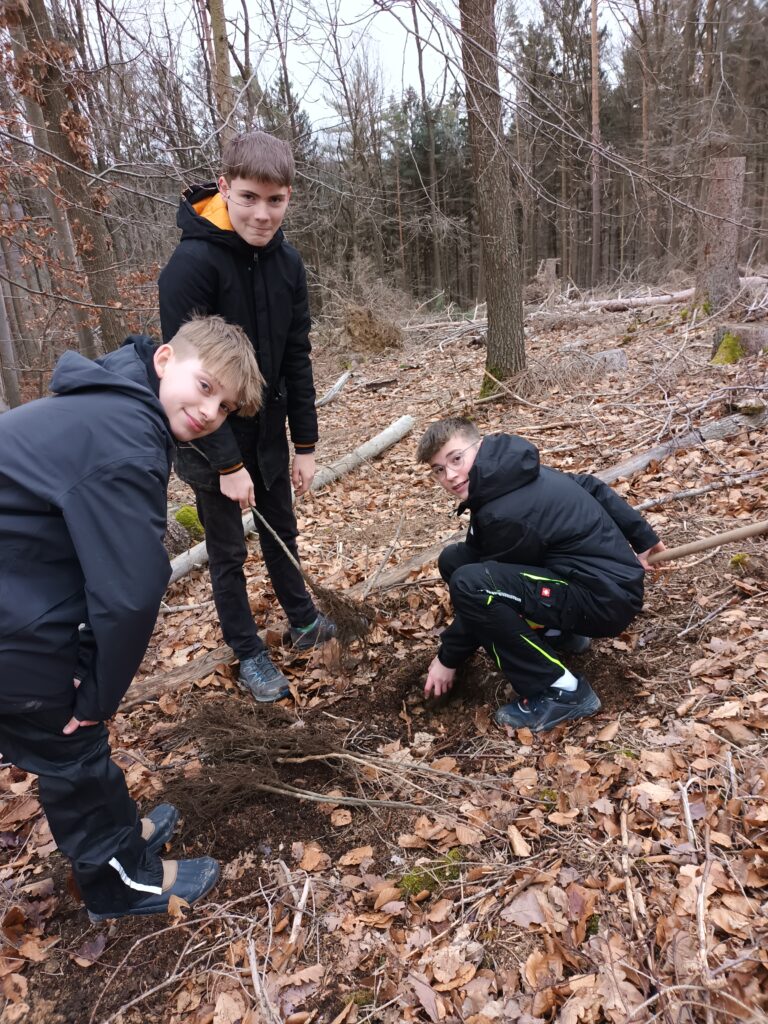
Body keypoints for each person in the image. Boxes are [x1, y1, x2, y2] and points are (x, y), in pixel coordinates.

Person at [0, 316, 264, 921]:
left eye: (223, 407)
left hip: (18, 581)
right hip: (12, 617)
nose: (209, 412)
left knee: (72, 730)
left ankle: (125, 834)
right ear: (166, 358)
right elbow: (130, 592)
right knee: (73, 742)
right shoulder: (125, 437)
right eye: (205, 387)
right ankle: (121, 884)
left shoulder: (112, 402)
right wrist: (96, 695)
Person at [158, 130, 336, 705]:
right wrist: (227, 465)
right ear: (226, 186)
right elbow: (189, 384)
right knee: (229, 550)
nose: (263, 214)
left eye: (276, 201)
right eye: (250, 198)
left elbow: (296, 355)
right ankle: (248, 650)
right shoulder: (191, 265)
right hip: (207, 434)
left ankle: (303, 620)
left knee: (282, 526)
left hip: (269, 431)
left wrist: (304, 443)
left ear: (290, 197)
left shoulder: (287, 262)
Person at [417, 417, 665, 733]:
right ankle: (557, 635)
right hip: (581, 580)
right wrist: (642, 536)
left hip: (602, 599)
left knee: (471, 584)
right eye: (438, 469)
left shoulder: (503, 514)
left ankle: (562, 690)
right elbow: (587, 484)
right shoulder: (509, 470)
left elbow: (481, 591)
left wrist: (447, 658)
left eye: (456, 459)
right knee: (456, 559)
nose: (449, 476)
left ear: (478, 445)